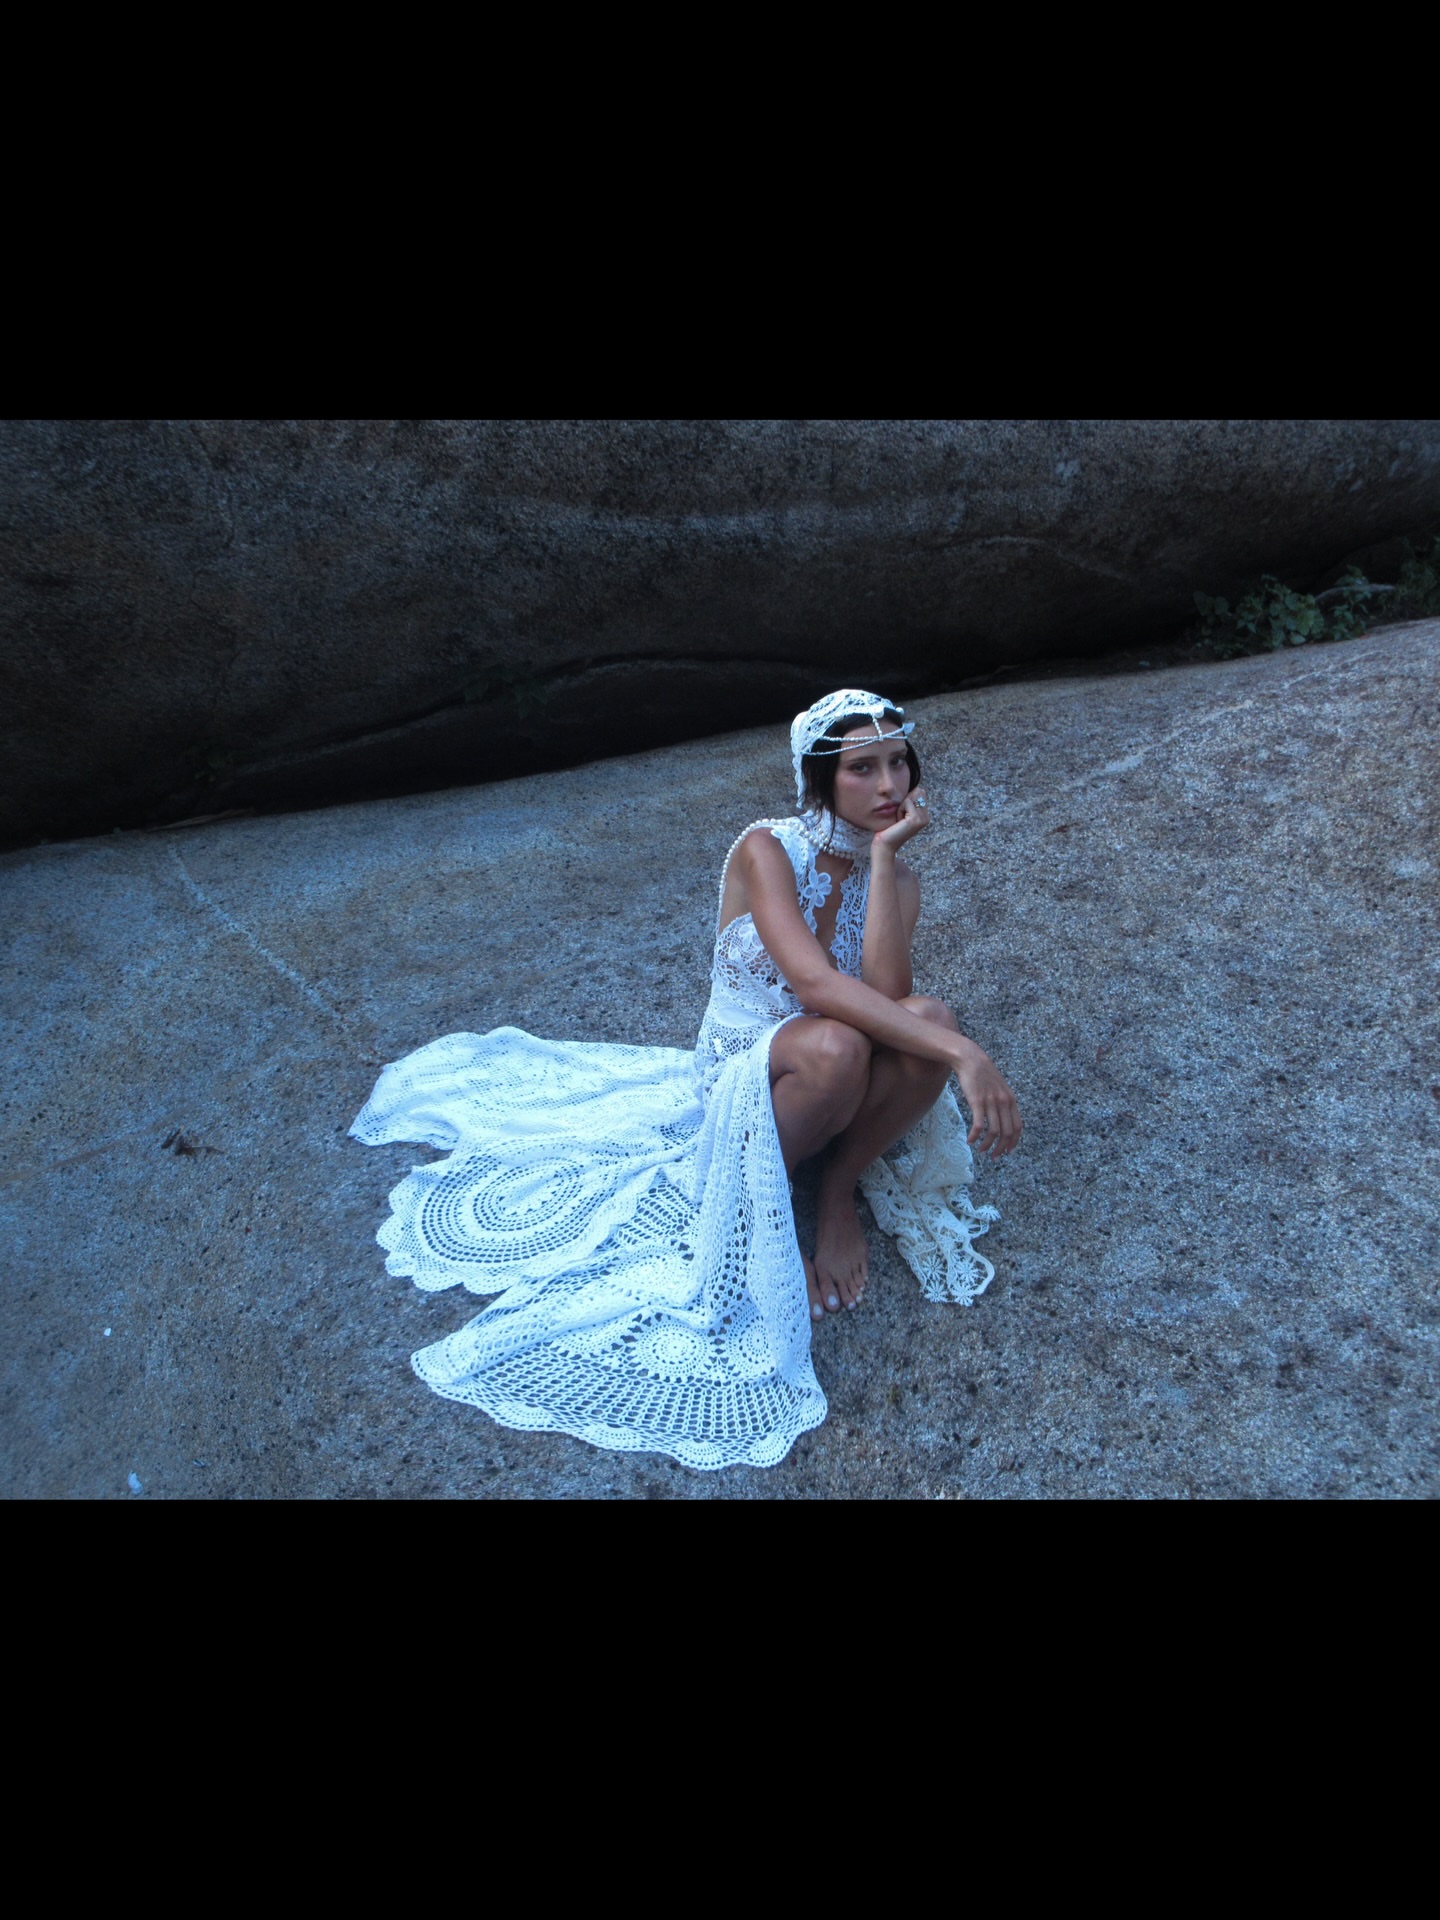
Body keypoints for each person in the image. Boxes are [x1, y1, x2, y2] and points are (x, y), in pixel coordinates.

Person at [351, 689, 1021, 1470]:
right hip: (752, 1065)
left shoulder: (898, 879)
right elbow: (818, 988)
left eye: (898, 763)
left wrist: (882, 862)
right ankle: (769, 1193)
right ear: (819, 777)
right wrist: (968, 1058)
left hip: (834, 1060)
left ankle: (838, 1189)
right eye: (861, 769)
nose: (889, 785)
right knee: (845, 1044)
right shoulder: (766, 850)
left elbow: (887, 996)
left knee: (928, 1017)